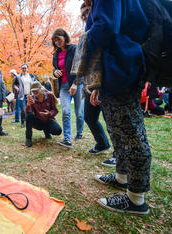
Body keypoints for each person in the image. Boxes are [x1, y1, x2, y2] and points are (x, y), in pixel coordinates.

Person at [83, 0, 151, 214]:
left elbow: (106, 27)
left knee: (130, 133)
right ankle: (121, 177)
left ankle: (136, 199)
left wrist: (84, 49)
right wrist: (97, 84)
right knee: (117, 131)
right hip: (112, 73)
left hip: (122, 69)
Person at [79, 3, 112, 157]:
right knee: (89, 116)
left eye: (86, 12)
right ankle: (102, 143)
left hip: (107, 82)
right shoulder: (88, 33)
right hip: (91, 83)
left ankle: (118, 156)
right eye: (82, 16)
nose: (84, 17)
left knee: (111, 119)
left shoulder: (104, 25)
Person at [52, 28, 85, 148]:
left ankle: (79, 132)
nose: (57, 42)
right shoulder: (56, 54)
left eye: (59, 39)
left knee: (79, 113)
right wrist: (55, 72)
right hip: (64, 85)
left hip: (77, 84)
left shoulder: (74, 49)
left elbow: (81, 67)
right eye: (55, 41)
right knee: (65, 111)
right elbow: (55, 68)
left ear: (65, 37)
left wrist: (76, 84)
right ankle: (67, 139)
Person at [25, 81, 62, 147]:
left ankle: (46, 131)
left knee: (58, 131)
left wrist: (49, 114)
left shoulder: (49, 95)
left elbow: (55, 110)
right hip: (38, 121)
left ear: (41, 89)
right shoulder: (32, 98)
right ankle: (28, 138)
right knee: (29, 116)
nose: (35, 93)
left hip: (48, 120)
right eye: (33, 91)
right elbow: (28, 113)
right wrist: (28, 105)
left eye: (36, 90)